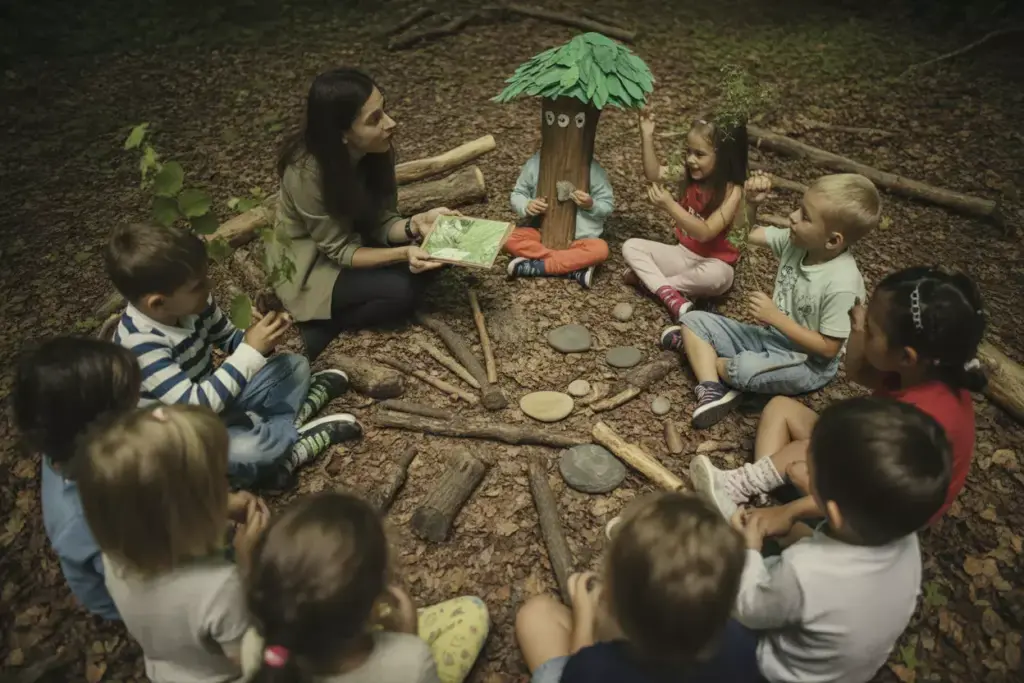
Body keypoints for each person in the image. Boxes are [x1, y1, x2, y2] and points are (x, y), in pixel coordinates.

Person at [692, 266, 984, 530]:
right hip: (871, 466)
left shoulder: (924, 416)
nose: (863, 324)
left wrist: (792, 511)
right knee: (781, 408)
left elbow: (872, 493)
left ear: (907, 356)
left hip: (882, 509)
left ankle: (749, 492)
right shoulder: (924, 368)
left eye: (872, 329)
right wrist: (859, 330)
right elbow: (858, 372)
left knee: (816, 447)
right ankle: (762, 496)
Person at [106, 221, 359, 489]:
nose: (209, 286)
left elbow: (229, 339)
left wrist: (262, 335)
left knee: (293, 366)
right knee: (251, 452)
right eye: (197, 285)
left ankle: (281, 425)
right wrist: (250, 350)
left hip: (215, 409)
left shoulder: (194, 304)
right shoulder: (141, 346)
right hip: (182, 439)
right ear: (158, 303)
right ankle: (290, 445)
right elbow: (197, 405)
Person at [729, 397, 951, 683]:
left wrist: (749, 548)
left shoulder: (805, 570)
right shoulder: (904, 536)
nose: (801, 466)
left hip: (778, 671)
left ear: (832, 511)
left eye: (810, 471)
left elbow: (749, 608)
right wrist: (792, 511)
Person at [268, 67, 460, 360]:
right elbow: (339, 251)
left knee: (441, 251)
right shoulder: (306, 171)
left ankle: (351, 301)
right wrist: (402, 254)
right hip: (312, 264)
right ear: (342, 134)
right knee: (401, 290)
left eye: (384, 110)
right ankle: (325, 322)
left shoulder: (378, 149)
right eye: (374, 120)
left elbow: (382, 220)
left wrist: (415, 226)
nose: (390, 123)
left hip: (357, 242)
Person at [662, 173, 880, 429]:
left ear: (833, 240)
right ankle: (712, 388)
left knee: (741, 369)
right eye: (800, 208)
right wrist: (752, 204)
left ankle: (704, 357)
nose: (793, 217)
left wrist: (775, 317)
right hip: (769, 338)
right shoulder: (796, 241)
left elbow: (828, 349)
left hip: (807, 362)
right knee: (692, 319)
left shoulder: (842, 283)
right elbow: (742, 235)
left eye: (805, 216)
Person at [76, 404, 271, 683]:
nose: (227, 486)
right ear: (190, 510)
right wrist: (247, 567)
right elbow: (253, 662)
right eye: (218, 482)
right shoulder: (221, 588)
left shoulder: (115, 556)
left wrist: (218, 505)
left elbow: (148, 511)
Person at [240, 491, 489, 683]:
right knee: (472, 611)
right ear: (373, 605)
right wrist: (408, 639)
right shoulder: (410, 663)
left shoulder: (258, 646)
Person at [515, 492, 762, 683]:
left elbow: (578, 667)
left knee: (535, 615)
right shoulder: (744, 645)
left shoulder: (596, 668)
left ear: (612, 604)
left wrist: (584, 618)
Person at [12, 337, 141, 621]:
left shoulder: (63, 446)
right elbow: (145, 591)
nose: (141, 408)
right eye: (130, 406)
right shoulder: (84, 522)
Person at [621, 110, 749, 320]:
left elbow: (706, 233)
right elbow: (654, 173)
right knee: (631, 246)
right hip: (683, 255)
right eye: (688, 152)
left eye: (699, 154)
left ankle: (653, 283)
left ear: (724, 156)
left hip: (713, 263)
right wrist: (646, 135)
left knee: (720, 277)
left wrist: (669, 205)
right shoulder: (688, 173)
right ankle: (670, 293)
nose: (690, 160)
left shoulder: (732, 191)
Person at [504, 150, 614, 289]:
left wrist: (591, 205)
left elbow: (607, 205)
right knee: (506, 237)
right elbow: (519, 193)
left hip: (580, 240)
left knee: (600, 249)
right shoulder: (535, 163)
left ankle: (536, 266)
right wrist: (527, 205)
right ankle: (573, 269)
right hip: (542, 235)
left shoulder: (592, 168)